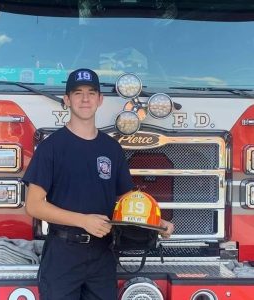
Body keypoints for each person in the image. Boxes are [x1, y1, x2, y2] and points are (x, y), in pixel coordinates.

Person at [23, 68, 174, 300]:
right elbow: (34, 206)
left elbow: (128, 204)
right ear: (67, 100)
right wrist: (83, 221)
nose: (85, 99)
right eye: (77, 93)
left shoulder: (111, 149)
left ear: (100, 99)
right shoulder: (51, 148)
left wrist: (158, 223)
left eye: (91, 93)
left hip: (103, 254)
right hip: (63, 254)